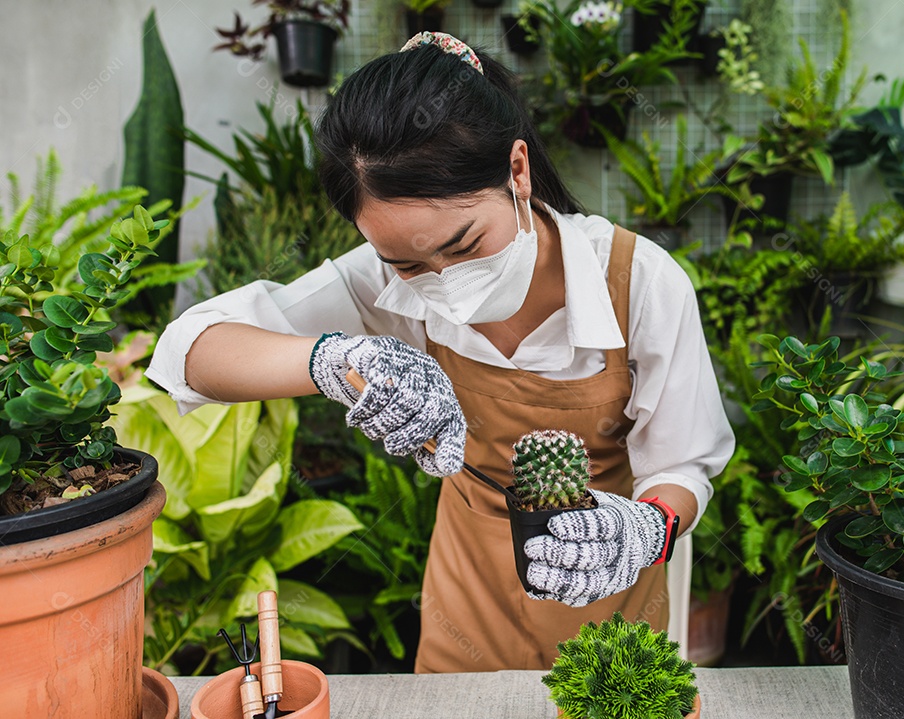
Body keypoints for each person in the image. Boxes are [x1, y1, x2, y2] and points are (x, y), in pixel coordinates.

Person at [147, 32, 733, 673]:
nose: (448, 289)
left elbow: (683, 464)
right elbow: (190, 350)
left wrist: (646, 531)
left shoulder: (639, 281)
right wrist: (333, 363)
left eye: (464, 245)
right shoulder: (379, 282)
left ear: (517, 170)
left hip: (607, 588)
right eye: (408, 264)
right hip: (467, 594)